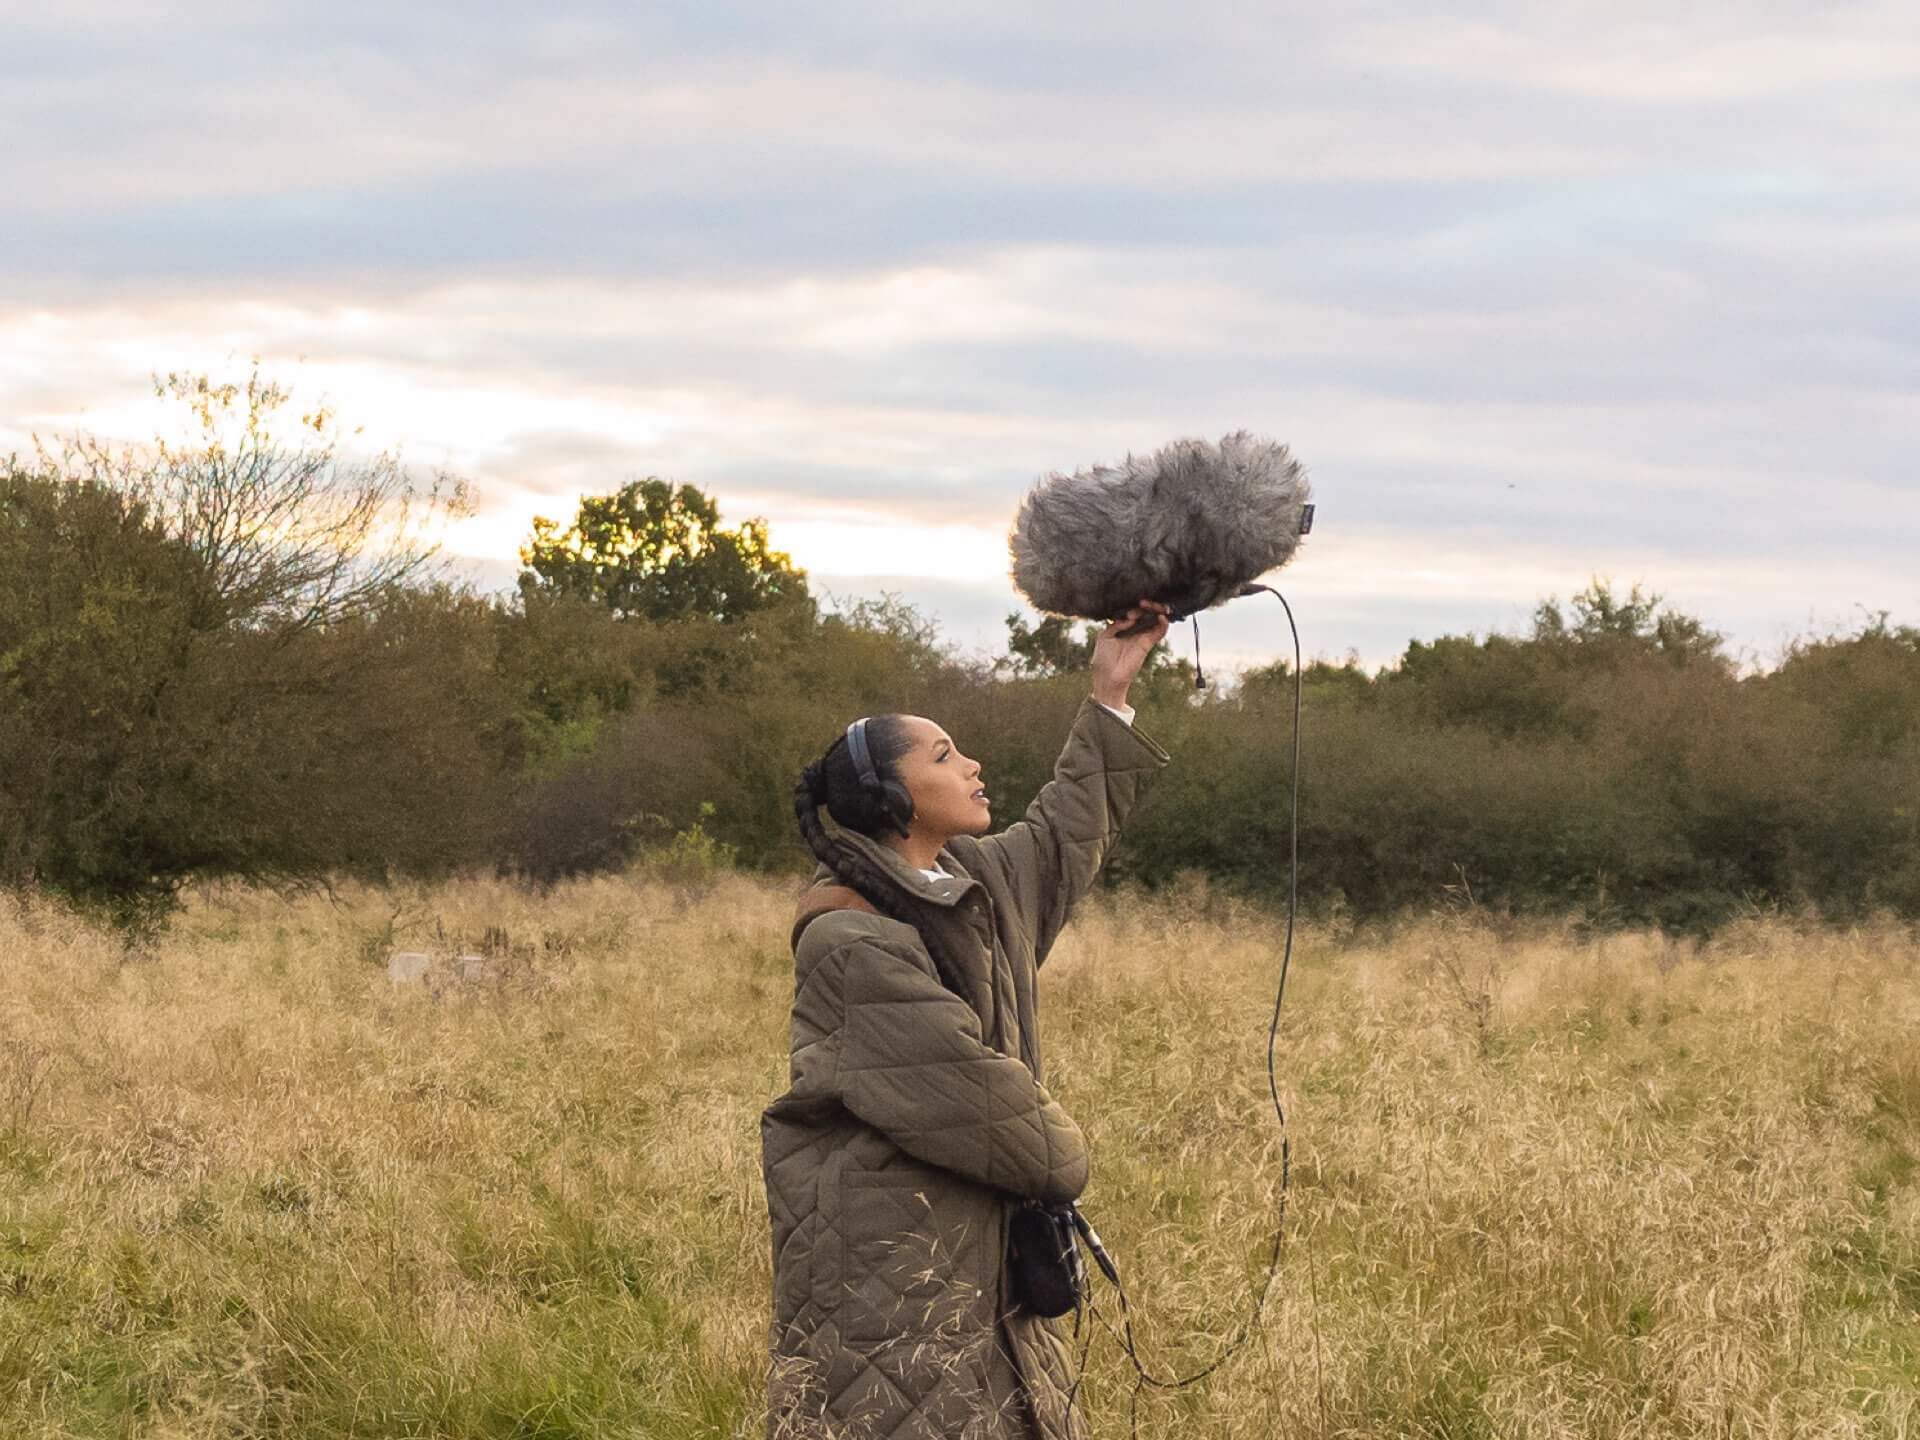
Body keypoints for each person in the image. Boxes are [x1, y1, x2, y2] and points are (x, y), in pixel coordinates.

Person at [762, 600, 1173, 1440]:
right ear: (891, 795)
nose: (974, 765)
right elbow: (998, 1119)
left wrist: (1113, 690)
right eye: (945, 755)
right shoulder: (848, 942)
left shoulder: (970, 882)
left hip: (968, 1268)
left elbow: (1065, 833)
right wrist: (1065, 1158)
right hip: (893, 1293)